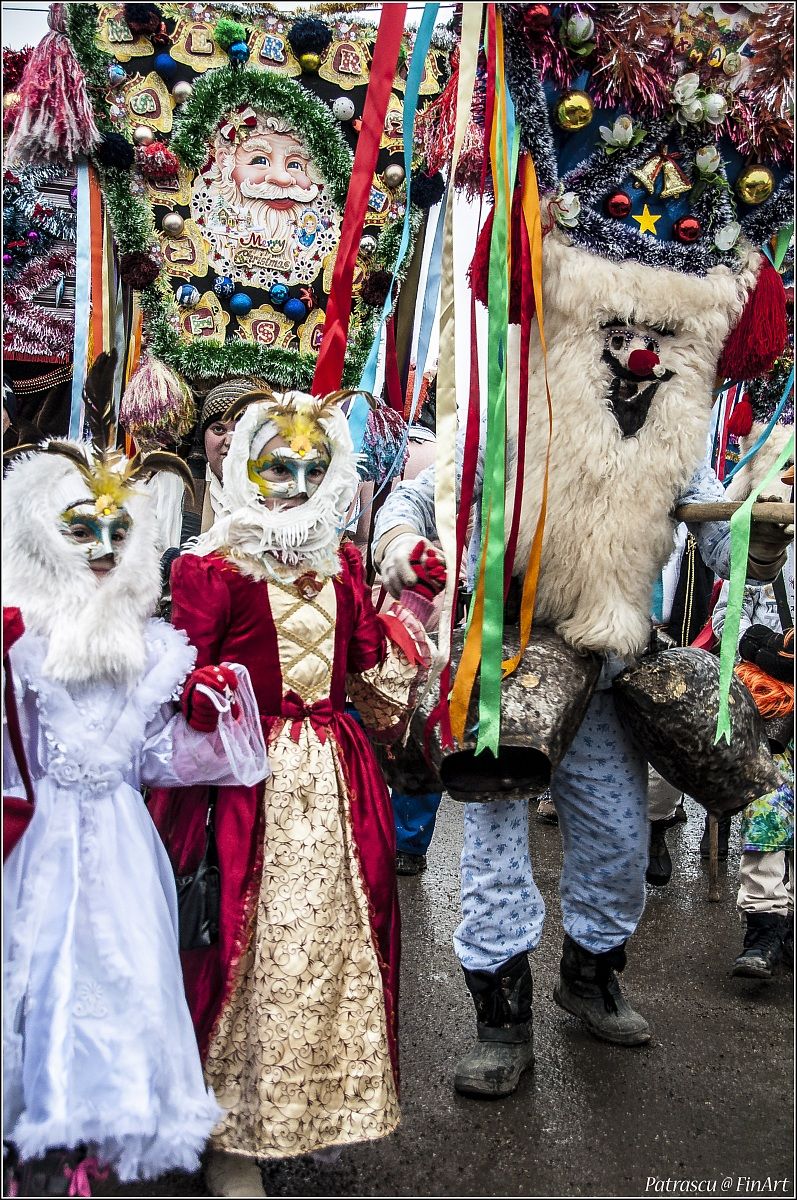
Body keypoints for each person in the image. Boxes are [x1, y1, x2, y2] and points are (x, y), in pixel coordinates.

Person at [372, 453, 793, 1099]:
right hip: (505, 673)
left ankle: (589, 977)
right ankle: (501, 1025)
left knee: (618, 850)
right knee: (493, 857)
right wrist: (404, 545)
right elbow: (414, 501)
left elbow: (720, 540)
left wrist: (754, 546)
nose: (625, 350)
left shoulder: (666, 436)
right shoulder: (513, 420)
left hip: (607, 672)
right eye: (609, 341)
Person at [148, 384, 441, 1198]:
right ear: (247, 466)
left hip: (334, 778)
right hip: (240, 782)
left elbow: (359, 672)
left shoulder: (342, 562)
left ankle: (304, 1110)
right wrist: (196, 687)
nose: (298, 482)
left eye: (314, 468)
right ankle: (225, 1133)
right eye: (279, 467)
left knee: (325, 949)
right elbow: (173, 669)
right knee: (237, 948)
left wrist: (397, 624)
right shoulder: (211, 566)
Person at [2, 354, 268, 1189]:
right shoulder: (19, 643)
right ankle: (35, 1137)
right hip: (33, 846)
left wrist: (206, 710)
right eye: (83, 530)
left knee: (120, 984)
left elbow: (150, 756)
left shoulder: (152, 649)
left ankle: (94, 1145)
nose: (105, 548)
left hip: (120, 845)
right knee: (37, 981)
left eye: (120, 531)